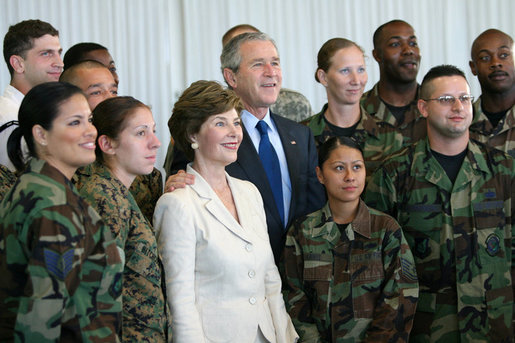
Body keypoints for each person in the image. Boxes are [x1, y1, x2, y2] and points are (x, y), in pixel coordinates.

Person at [364, 65, 514, 342]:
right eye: (445, 100)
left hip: (497, 326)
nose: (458, 106)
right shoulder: (395, 174)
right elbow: (372, 259)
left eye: (464, 98)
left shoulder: (504, 170)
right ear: (423, 108)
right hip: (425, 328)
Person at [154, 80, 298, 342]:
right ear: (192, 135)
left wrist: (284, 336)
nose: (234, 132)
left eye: (236, 122)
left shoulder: (249, 192)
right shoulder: (178, 203)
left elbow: (269, 278)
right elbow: (180, 300)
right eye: (221, 123)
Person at [166, 32, 326, 262]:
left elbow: (315, 210)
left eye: (275, 63)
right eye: (258, 64)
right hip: (238, 271)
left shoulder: (300, 135)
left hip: (299, 272)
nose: (271, 72)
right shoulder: (208, 138)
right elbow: (186, 195)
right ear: (231, 77)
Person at [0, 82, 122, 341]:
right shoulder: (55, 206)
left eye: (89, 120)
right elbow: (40, 320)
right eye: (74, 122)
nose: (90, 131)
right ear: (41, 135)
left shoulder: (34, 186)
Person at [282, 136, 419, 342]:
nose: (349, 176)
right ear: (320, 175)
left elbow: (401, 298)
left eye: (357, 167)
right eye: (339, 168)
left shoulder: (385, 229)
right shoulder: (302, 231)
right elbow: (292, 297)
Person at [77, 96, 169, 341]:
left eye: (153, 131)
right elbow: (97, 299)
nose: (156, 143)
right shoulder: (103, 196)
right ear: (107, 144)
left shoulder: (117, 191)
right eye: (141, 133)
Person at [61, 59, 162, 222]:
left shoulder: (144, 171)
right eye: (96, 92)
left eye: (113, 91)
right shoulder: (71, 169)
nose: (109, 98)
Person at [303, 38, 403, 178]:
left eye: (361, 70)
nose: (356, 81)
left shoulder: (390, 136)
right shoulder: (302, 136)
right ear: (323, 77)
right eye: (345, 71)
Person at [0, 19, 63, 171]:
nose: (60, 63)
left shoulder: (34, 112)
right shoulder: (11, 120)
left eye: (59, 53)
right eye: (46, 53)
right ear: (18, 64)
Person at [361, 20, 426, 146]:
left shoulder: (437, 107)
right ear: (377, 55)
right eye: (395, 44)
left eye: (413, 43)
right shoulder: (357, 111)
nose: (408, 50)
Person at [469, 28, 515, 158]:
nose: (495, 63)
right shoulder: (461, 121)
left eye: (504, 55)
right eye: (485, 58)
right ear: (473, 67)